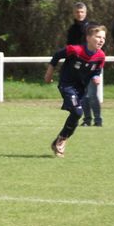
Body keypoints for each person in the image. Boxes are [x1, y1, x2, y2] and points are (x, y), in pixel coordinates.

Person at [45, 22, 106, 158]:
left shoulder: (101, 56)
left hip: (81, 89)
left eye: (103, 38)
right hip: (67, 85)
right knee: (78, 112)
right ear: (88, 38)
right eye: (98, 37)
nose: (101, 40)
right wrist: (49, 74)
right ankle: (61, 141)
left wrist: (96, 76)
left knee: (76, 114)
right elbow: (57, 55)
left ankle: (59, 140)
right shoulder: (75, 50)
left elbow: (97, 70)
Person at [64, 2, 103, 127]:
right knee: (83, 95)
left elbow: (100, 43)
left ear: (85, 13)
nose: (79, 14)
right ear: (74, 13)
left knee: (92, 94)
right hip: (78, 67)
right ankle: (87, 119)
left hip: (91, 64)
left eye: (82, 12)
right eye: (77, 12)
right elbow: (69, 48)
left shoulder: (93, 27)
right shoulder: (72, 29)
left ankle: (98, 120)